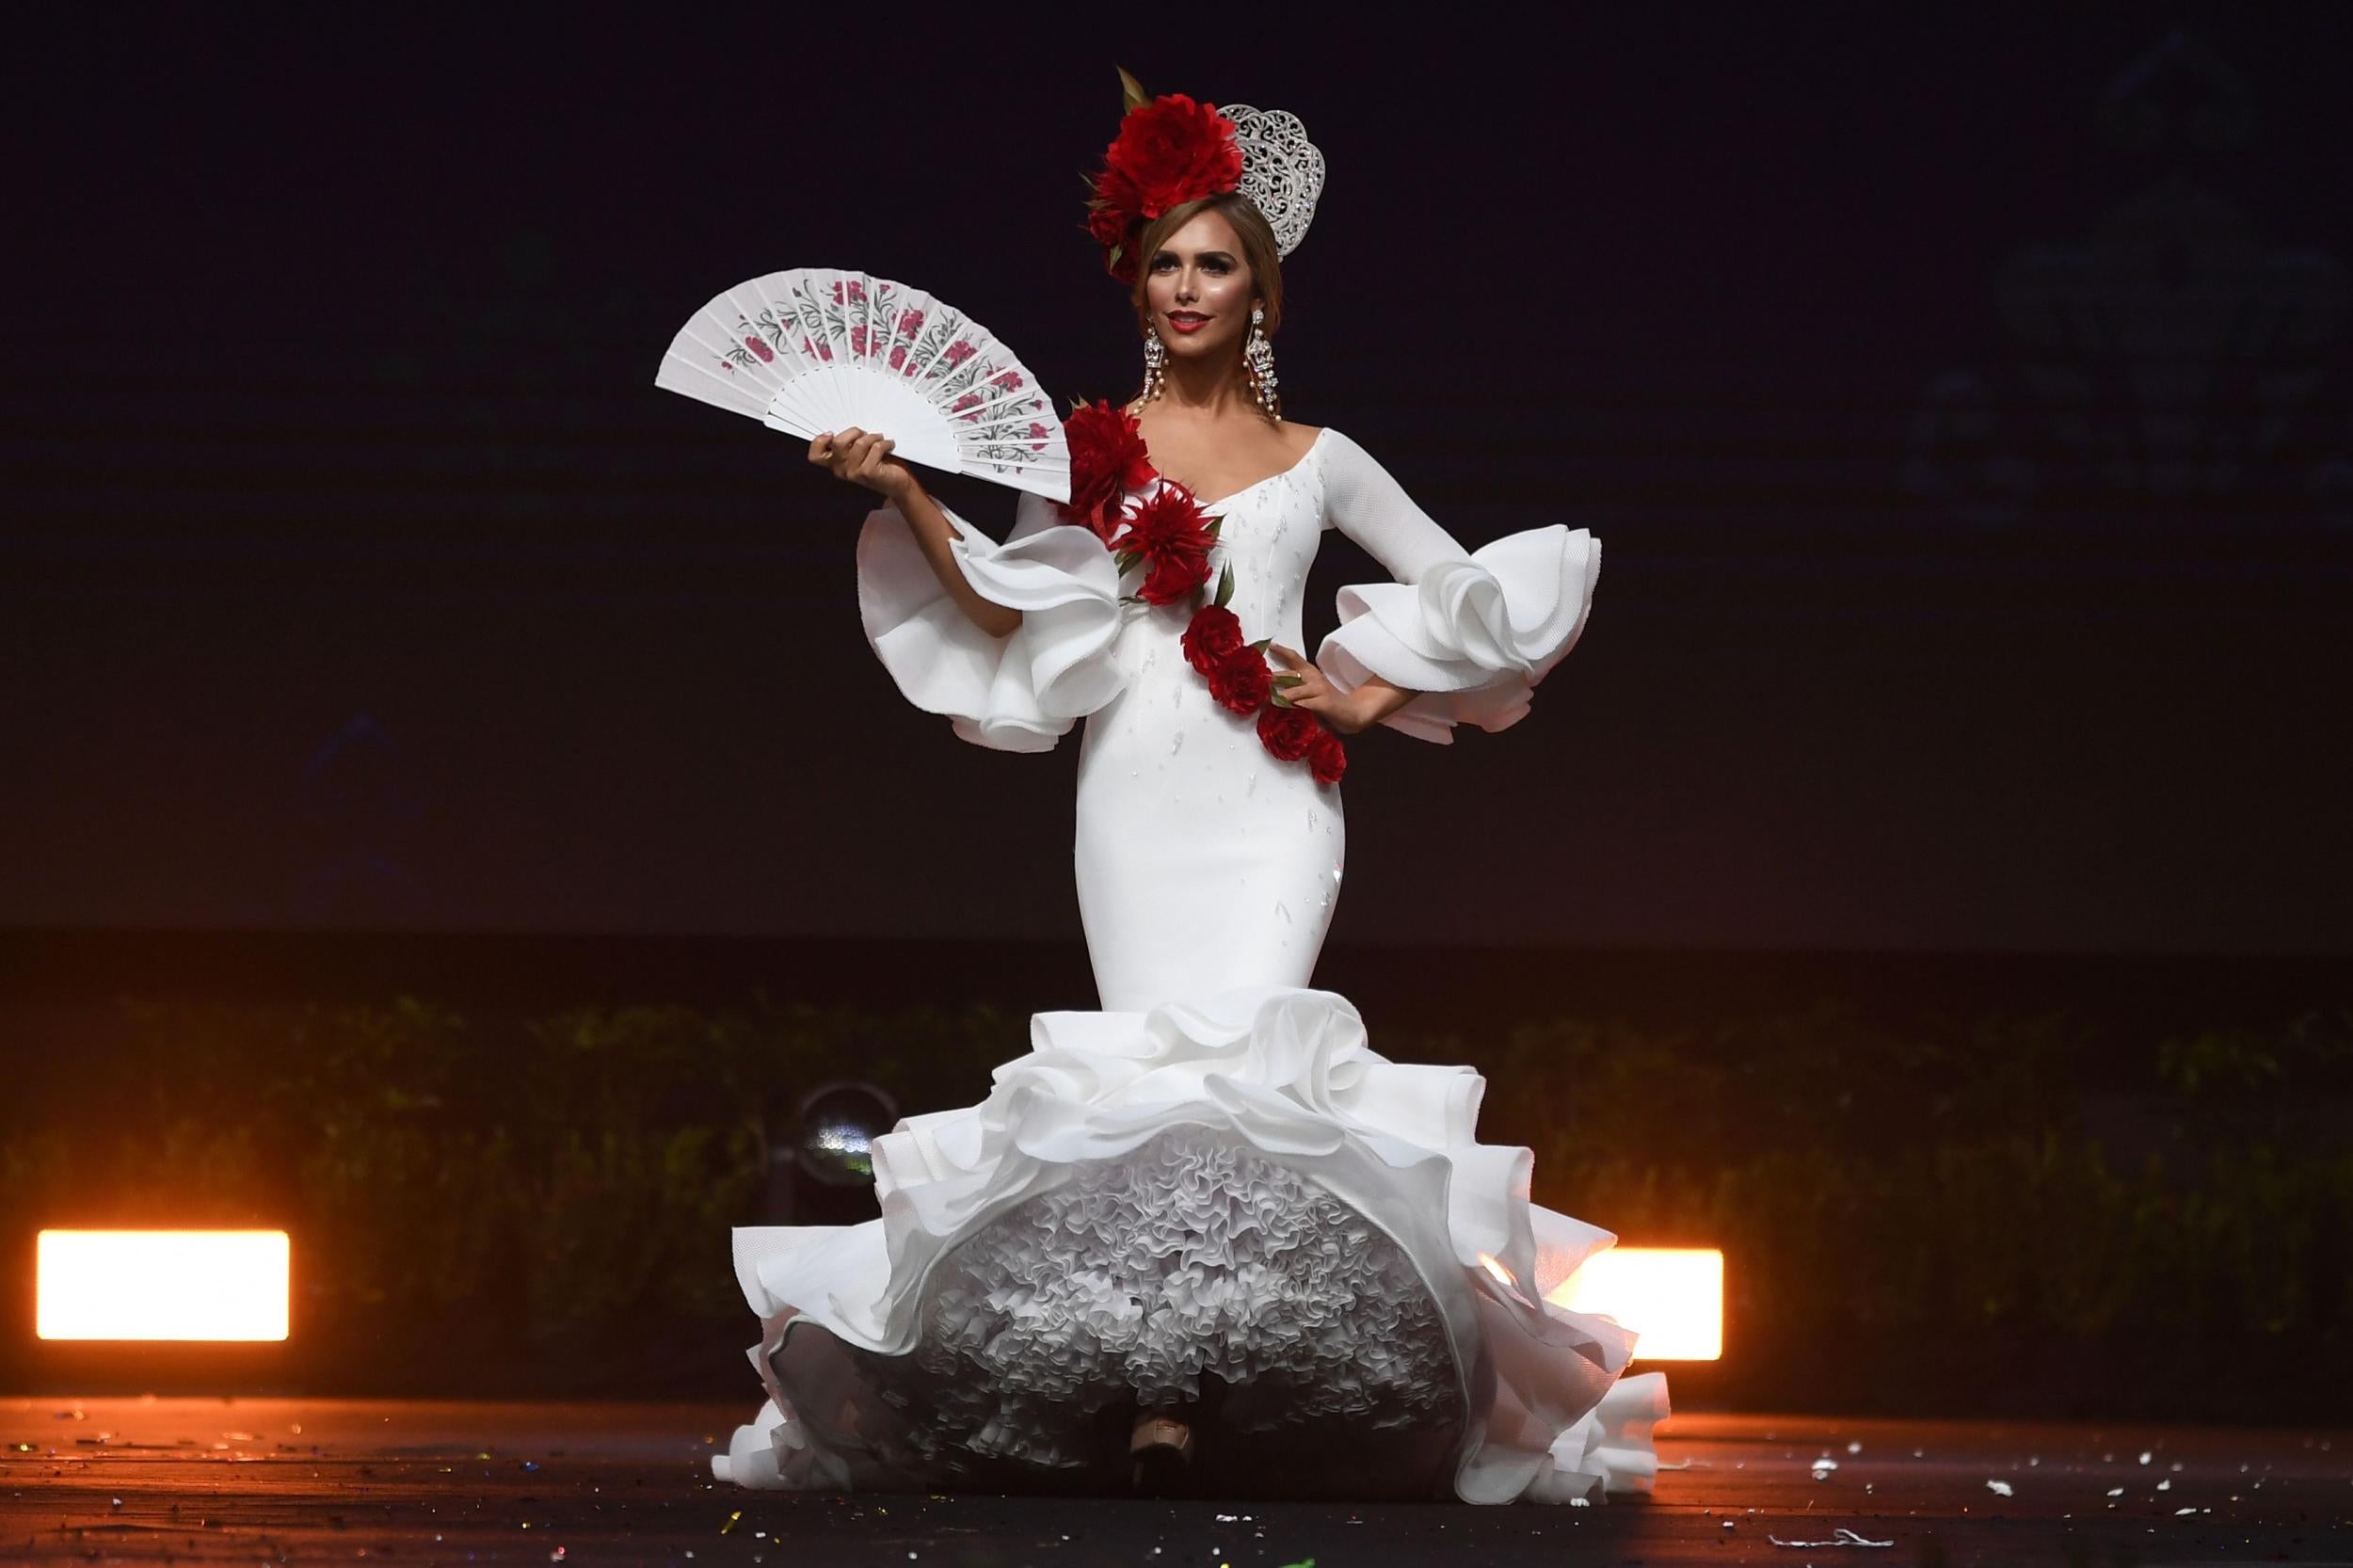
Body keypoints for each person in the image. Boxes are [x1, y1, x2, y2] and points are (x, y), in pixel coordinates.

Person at [712, 82, 1667, 1506]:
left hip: (1273, 797)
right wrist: (909, 488)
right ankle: (1161, 1383)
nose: (1187, 286)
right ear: (1133, 281)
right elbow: (1004, 608)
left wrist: (1364, 697)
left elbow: (1483, 596)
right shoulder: (1083, 454)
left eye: (1214, 261)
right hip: (1134, 792)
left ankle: (1206, 1379)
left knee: (1256, 1077)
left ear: (1259, 287)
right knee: (1144, 1078)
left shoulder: (1319, 458)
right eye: (1164, 262)